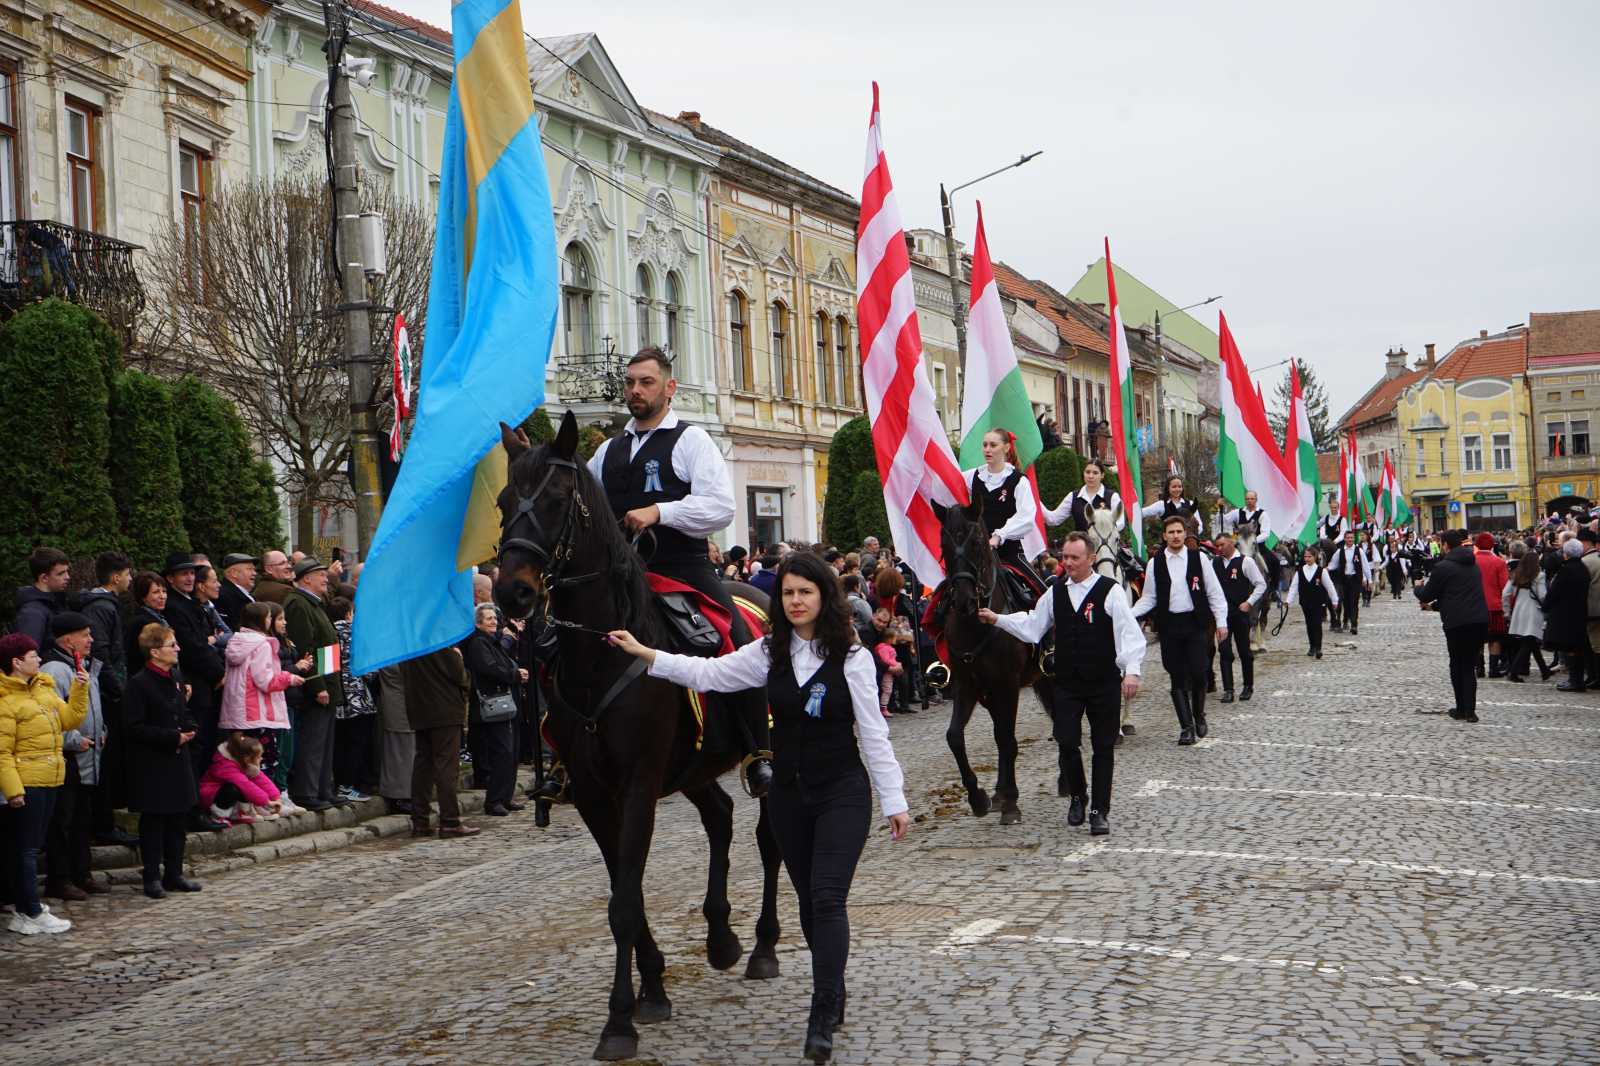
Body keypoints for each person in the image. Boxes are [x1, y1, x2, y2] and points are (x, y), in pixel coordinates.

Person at [606, 551, 908, 1063]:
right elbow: (708, 674)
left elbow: (874, 734)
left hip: (841, 792)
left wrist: (894, 800)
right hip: (789, 795)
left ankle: (822, 1009)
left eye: (804, 592)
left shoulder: (854, 659)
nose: (794, 601)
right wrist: (646, 653)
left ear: (823, 597)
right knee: (810, 904)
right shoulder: (768, 652)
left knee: (829, 899)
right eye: (788, 592)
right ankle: (832, 984)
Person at [588, 347, 772, 797]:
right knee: (564, 640)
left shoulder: (691, 441)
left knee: (731, 635)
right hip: (622, 578)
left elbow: (720, 506)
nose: (635, 390)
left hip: (682, 569)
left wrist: (660, 512)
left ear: (669, 388)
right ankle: (567, 755)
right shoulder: (607, 452)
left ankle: (757, 750)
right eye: (630, 382)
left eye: (646, 382)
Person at [980, 532, 1143, 836]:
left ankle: (1099, 810)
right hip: (1067, 682)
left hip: (1103, 681)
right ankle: (1078, 796)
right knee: (1067, 741)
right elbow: (1032, 625)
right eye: (1065, 557)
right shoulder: (1054, 593)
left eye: (1074, 558)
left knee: (1103, 747)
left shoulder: (1110, 591)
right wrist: (998, 620)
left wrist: (1131, 671)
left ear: (1091, 559)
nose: (1067, 563)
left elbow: (1129, 634)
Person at [0, 632, 88, 934]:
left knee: (29, 847)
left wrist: (79, 689)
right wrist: (14, 791)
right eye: (33, 655)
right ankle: (30, 911)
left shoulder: (43, 690)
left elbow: (70, 720)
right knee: (24, 849)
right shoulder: (5, 701)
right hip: (27, 783)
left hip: (51, 778)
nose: (40, 659)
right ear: (16, 662)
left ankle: (24, 908)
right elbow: (2, 752)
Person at [1132, 515, 1229, 745]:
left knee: (1199, 672)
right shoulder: (1155, 563)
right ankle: (1186, 728)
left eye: (1179, 532)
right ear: (1164, 536)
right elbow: (1149, 598)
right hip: (1169, 626)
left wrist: (1222, 621)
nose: (1175, 536)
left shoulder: (1199, 559)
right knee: (1177, 676)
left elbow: (1215, 593)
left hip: (1196, 624)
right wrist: (1128, 614)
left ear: (1185, 534)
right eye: (1171, 532)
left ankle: (1199, 715)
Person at [123, 624, 202, 897]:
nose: (177, 649)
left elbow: (182, 710)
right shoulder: (139, 683)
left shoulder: (175, 676)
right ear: (155, 652)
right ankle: (151, 876)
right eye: (172, 645)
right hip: (153, 762)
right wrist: (171, 737)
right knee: (155, 822)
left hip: (178, 760)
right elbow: (133, 726)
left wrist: (190, 728)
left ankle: (174, 873)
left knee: (178, 821)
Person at [40, 613, 107, 902]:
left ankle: (82, 873)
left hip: (89, 755)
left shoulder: (84, 666)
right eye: (85, 635)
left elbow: (91, 706)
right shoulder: (55, 670)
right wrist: (74, 740)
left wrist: (103, 730)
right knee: (63, 821)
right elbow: (52, 715)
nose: (90, 640)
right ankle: (61, 878)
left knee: (82, 819)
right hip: (69, 758)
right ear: (69, 640)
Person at [162, 553, 226, 831]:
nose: (189, 578)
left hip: (205, 684)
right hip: (195, 683)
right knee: (196, 747)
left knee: (203, 746)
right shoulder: (176, 607)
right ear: (170, 578)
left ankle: (199, 807)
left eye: (192, 573)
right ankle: (191, 811)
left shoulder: (192, 604)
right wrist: (219, 671)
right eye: (183, 574)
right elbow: (194, 646)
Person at [79, 551, 135, 847]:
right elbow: (102, 652)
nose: (130, 579)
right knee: (105, 760)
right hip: (103, 694)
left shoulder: (107, 605)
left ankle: (105, 820)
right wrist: (118, 690)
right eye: (127, 574)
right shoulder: (102, 607)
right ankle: (102, 824)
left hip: (108, 690)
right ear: (115, 577)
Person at [219, 602, 305, 783]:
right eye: (268, 618)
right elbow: (265, 681)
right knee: (263, 760)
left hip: (237, 712)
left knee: (239, 760)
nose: (270, 621)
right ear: (260, 621)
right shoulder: (262, 645)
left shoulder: (236, 641)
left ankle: (245, 802)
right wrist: (288, 678)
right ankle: (262, 802)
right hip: (257, 712)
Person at [400, 646, 480, 839]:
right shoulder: (438, 641)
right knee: (446, 765)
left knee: (423, 765)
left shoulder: (408, 642)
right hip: (444, 708)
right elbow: (457, 674)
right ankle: (450, 820)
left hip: (420, 708)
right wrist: (459, 658)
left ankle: (420, 821)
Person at [283, 557, 342, 812]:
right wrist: (317, 685)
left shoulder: (314, 604)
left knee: (325, 742)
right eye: (320, 575)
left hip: (329, 679)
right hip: (317, 685)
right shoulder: (298, 604)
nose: (325, 579)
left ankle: (323, 789)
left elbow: (325, 644)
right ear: (306, 578)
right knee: (313, 741)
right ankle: (307, 791)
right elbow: (305, 648)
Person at [1414, 529, 1490, 722]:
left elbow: (1426, 594)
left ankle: (1461, 708)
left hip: (1457, 623)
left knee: (1457, 663)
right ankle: (1470, 711)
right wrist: (1435, 607)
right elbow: (1458, 594)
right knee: (1469, 664)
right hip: (1478, 620)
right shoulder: (1473, 564)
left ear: (1446, 545)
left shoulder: (1443, 567)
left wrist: (1417, 586)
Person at [961, 427, 1045, 597]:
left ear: (1006, 448)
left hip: (1009, 553)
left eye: (993, 445)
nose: (987, 449)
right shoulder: (972, 476)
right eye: (984, 445)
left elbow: (1026, 517)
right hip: (976, 552)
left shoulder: (1019, 481)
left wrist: (999, 536)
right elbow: (947, 484)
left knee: (1043, 593)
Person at [463, 603, 527, 817]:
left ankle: (505, 797)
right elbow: (489, 668)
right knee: (503, 752)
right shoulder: (478, 643)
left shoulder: (492, 641)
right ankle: (495, 800)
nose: (494, 621)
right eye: (488, 618)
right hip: (495, 702)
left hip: (508, 702)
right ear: (478, 622)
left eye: (494, 618)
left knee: (511, 753)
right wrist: (514, 675)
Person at [1212, 532, 1266, 703]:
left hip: (1240, 613)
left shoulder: (1245, 562)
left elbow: (1260, 584)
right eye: (1217, 546)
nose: (1219, 548)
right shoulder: (1215, 563)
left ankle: (1248, 686)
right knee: (1225, 651)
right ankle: (1228, 689)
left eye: (1222, 545)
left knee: (1244, 651)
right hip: (1222, 615)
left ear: (1231, 543)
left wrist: (1249, 602)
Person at [330, 597, 374, 804]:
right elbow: (369, 669)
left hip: (338, 698)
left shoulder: (329, 632)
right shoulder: (355, 634)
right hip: (357, 697)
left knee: (340, 743)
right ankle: (348, 785)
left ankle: (339, 783)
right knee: (357, 743)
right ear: (349, 613)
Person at [198, 733, 283, 824]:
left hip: (218, 792)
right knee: (236, 788)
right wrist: (266, 802)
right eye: (258, 757)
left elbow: (261, 780)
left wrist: (276, 797)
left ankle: (243, 812)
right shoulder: (226, 766)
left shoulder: (243, 763)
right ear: (247, 758)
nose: (261, 759)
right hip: (210, 797)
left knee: (248, 784)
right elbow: (246, 786)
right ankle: (218, 815)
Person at [1545, 539, 1591, 693]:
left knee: (1571, 648)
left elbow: (1554, 593)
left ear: (1566, 554)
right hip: (1580, 611)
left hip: (1566, 614)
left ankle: (1575, 681)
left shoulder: (1566, 570)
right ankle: (1576, 680)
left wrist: (1546, 606)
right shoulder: (1583, 568)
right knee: (1577, 647)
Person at [1503, 551, 1552, 683]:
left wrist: (1506, 612)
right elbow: (1542, 595)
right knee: (1529, 641)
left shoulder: (1517, 575)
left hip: (1519, 611)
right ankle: (1513, 672)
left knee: (1531, 641)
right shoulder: (1539, 576)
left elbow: (1505, 594)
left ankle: (1544, 670)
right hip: (1533, 611)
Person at [1284, 546, 1339, 658]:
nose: (1307, 559)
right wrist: (1288, 601)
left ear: (1315, 557)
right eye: (1305, 557)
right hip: (1305, 602)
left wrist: (1335, 600)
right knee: (1309, 624)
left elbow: (1329, 586)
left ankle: (1318, 647)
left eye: (1309, 556)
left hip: (1318, 602)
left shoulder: (1321, 571)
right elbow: (1294, 587)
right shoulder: (1300, 571)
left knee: (1317, 624)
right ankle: (1312, 646)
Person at [1043, 459, 1124, 535]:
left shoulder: (1112, 497)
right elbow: (1053, 519)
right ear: (1083, 473)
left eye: (1095, 473)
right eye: (1087, 472)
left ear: (1102, 475)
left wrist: (1101, 532)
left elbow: (1120, 523)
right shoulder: (1073, 497)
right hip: (1082, 548)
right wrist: (1035, 500)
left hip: (1104, 547)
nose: (1090, 476)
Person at [1471, 532, 1511, 678]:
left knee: (1477, 639)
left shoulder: (1471, 561)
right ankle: (1493, 670)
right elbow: (1505, 587)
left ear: (1477, 545)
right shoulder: (1499, 562)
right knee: (1494, 639)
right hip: (1494, 606)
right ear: (1492, 545)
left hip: (1475, 606)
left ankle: (1479, 668)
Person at [14, 547, 70, 647]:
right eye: (61, 573)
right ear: (44, 578)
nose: (67, 577)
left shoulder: (56, 601)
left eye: (67, 571)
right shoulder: (32, 612)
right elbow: (29, 653)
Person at [1327, 531, 1372, 635]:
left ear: (1354, 539)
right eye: (1348, 538)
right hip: (1344, 580)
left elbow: (1365, 566)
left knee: (1354, 602)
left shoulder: (1359, 551)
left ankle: (1354, 625)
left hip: (1355, 579)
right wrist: (1325, 569)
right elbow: (1333, 564)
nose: (1350, 540)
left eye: (1351, 538)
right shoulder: (1340, 551)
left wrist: (1369, 580)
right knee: (1346, 602)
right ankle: (1345, 620)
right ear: (1345, 539)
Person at [216, 553, 257, 631]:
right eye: (249, 569)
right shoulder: (223, 596)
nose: (254, 573)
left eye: (254, 570)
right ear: (234, 573)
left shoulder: (247, 595)